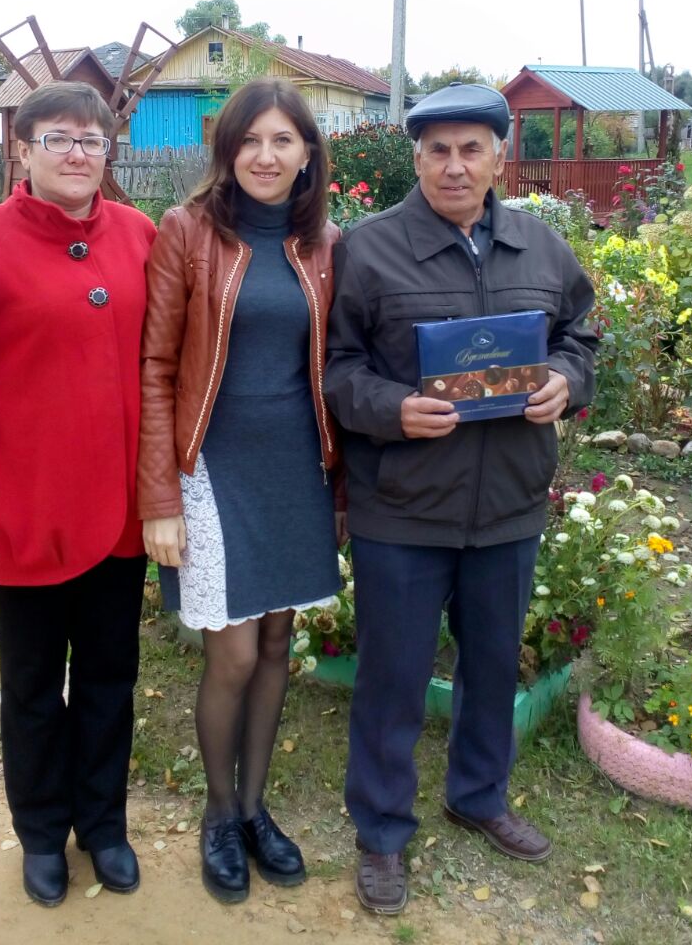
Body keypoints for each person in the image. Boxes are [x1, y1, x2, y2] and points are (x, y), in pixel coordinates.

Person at [323, 82, 598, 915]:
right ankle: (380, 830)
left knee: (489, 666)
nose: (454, 165)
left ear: (499, 156)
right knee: (393, 678)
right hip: (402, 506)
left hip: (509, 503)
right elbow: (336, 371)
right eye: (437, 150)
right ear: (416, 157)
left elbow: (579, 338)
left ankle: (478, 797)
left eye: (470, 148)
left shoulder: (541, 249)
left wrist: (565, 381)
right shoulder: (368, 251)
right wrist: (392, 410)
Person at [0, 82, 156, 908]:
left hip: (118, 517)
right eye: (59, 138)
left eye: (93, 140)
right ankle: (42, 833)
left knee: (110, 678)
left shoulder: (138, 235)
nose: (79, 153)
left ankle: (106, 825)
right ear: (21, 149)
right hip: (23, 514)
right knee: (30, 686)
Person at [138, 78, 344, 905]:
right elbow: (155, 368)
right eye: (250, 140)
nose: (266, 155)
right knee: (229, 653)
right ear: (227, 152)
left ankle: (258, 809)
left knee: (275, 650)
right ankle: (220, 814)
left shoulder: (326, 241)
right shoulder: (186, 232)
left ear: (306, 155)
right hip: (210, 471)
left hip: (297, 469)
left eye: (283, 141)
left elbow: (342, 363)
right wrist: (159, 496)